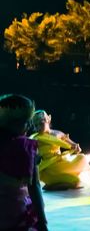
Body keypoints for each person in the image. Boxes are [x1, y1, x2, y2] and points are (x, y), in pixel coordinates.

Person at [0, 94, 48, 230]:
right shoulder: (26, 147)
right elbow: (35, 186)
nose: (29, 126)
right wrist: (42, 222)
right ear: (15, 123)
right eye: (26, 121)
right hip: (16, 212)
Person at [30, 110, 90, 190]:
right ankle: (53, 184)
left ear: (48, 120)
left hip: (59, 162)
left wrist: (75, 147)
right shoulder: (35, 138)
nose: (38, 127)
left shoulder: (57, 133)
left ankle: (54, 184)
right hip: (48, 168)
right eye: (35, 125)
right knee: (74, 181)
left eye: (41, 124)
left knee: (81, 159)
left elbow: (74, 145)